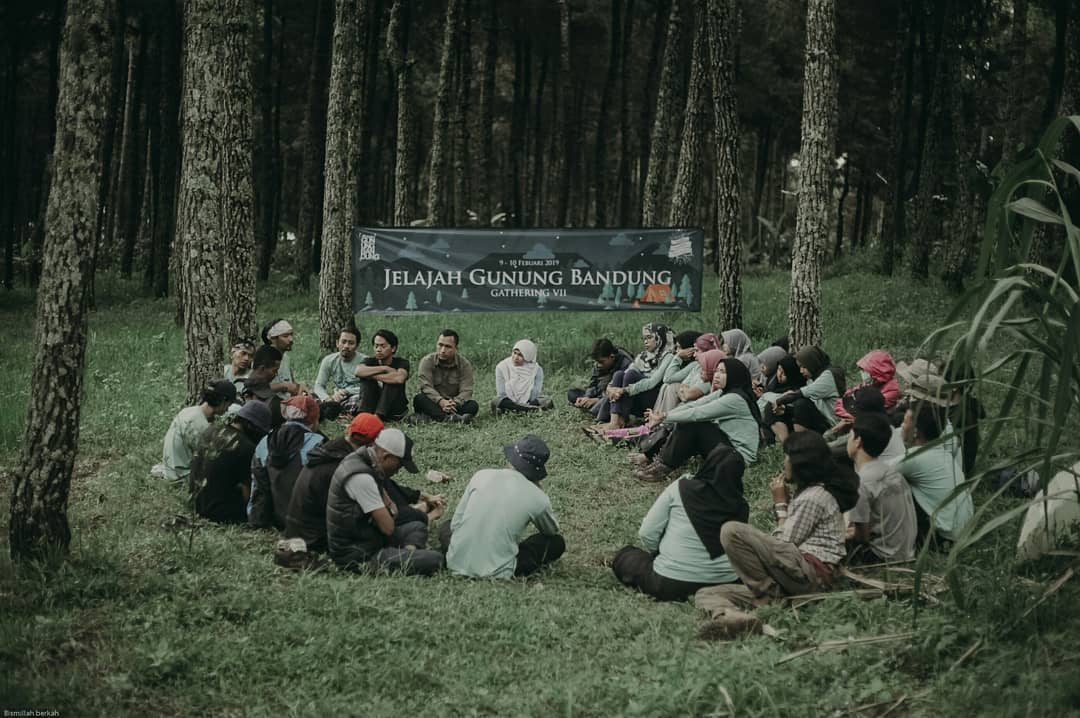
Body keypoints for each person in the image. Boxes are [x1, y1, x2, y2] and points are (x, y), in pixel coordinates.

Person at [696, 432, 857, 639]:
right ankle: (733, 618)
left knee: (732, 531)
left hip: (810, 574)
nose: (785, 462)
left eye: (788, 456)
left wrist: (780, 505)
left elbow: (783, 544)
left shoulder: (814, 497)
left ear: (802, 463)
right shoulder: (808, 494)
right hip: (792, 573)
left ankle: (768, 598)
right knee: (706, 594)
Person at [613, 446, 747, 601]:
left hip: (670, 583)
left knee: (626, 555)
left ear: (707, 464)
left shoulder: (681, 487)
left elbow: (647, 532)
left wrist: (660, 554)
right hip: (725, 583)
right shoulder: (741, 505)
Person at [440, 435, 565, 578]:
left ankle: (460, 556)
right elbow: (551, 531)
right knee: (556, 543)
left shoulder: (481, 475)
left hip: (455, 562)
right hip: (499, 572)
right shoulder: (538, 497)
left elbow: (455, 524)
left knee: (447, 525)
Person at [326, 428, 444, 575]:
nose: (399, 470)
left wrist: (391, 508)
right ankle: (405, 558)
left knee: (416, 526)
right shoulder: (362, 478)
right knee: (436, 559)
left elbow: (391, 510)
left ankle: (406, 555)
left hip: (369, 537)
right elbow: (388, 527)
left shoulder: (363, 460)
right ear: (386, 456)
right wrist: (391, 509)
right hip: (358, 555)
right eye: (399, 464)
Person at [635, 357, 762, 482]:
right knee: (686, 422)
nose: (717, 375)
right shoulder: (724, 393)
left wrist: (664, 417)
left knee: (692, 424)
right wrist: (664, 415)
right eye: (716, 371)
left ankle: (661, 469)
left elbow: (698, 413)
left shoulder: (735, 399)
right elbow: (694, 405)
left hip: (737, 458)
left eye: (723, 372)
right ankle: (660, 462)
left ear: (735, 375)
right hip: (727, 449)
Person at [285, 413, 385, 553]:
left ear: (349, 431)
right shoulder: (346, 465)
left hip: (297, 532)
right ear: (372, 444)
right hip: (314, 540)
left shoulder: (330, 450)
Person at [896, 398, 974, 547]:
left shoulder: (916, 458)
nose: (901, 426)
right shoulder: (941, 452)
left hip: (945, 538)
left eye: (904, 422)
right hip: (965, 532)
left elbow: (878, 473)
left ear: (915, 432)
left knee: (890, 486)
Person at [846, 412, 917, 564]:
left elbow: (861, 538)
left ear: (858, 441)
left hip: (883, 557)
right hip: (907, 551)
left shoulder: (861, 482)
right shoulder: (892, 472)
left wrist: (846, 533)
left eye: (849, 436)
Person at [248, 396, 326, 530]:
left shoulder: (265, 441)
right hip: (306, 523)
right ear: (313, 420)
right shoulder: (318, 443)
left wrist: (257, 520)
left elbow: (258, 487)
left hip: (272, 519)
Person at [190, 401, 272, 524]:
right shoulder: (246, 447)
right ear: (251, 426)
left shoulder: (211, 429)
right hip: (220, 512)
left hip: (194, 503)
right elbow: (248, 494)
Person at [597, 323, 676, 430]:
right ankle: (615, 421)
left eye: (649, 337)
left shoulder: (668, 356)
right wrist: (610, 388)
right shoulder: (643, 356)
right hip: (637, 396)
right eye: (644, 338)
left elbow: (653, 382)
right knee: (619, 374)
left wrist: (625, 390)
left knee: (631, 375)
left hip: (654, 400)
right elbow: (628, 370)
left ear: (660, 338)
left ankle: (620, 421)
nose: (645, 341)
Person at [159, 380, 237, 483]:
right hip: (180, 474)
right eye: (228, 405)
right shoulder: (199, 424)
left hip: (171, 467)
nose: (227, 410)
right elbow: (210, 459)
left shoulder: (189, 411)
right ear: (223, 401)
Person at [768, 345, 844, 442]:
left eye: (804, 367)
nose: (801, 371)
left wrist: (780, 400)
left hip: (833, 424)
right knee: (771, 407)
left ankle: (802, 446)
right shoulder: (812, 378)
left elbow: (804, 392)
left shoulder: (830, 375)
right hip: (820, 417)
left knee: (801, 404)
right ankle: (784, 445)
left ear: (812, 363)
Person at [413, 329, 479, 423]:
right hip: (434, 402)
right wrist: (441, 401)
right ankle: (451, 418)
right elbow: (426, 387)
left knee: (473, 405)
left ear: (456, 348)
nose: (443, 350)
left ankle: (441, 417)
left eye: (448, 347)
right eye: (440, 345)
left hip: (454, 404)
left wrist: (455, 403)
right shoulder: (427, 361)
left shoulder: (464, 364)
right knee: (419, 399)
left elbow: (467, 390)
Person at [567, 338, 633, 419]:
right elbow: (593, 384)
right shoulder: (599, 364)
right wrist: (587, 397)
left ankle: (594, 409)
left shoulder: (626, 364)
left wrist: (596, 400)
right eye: (597, 362)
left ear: (612, 357)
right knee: (572, 393)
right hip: (600, 393)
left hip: (614, 397)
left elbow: (620, 392)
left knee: (605, 403)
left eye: (601, 362)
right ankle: (589, 405)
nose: (599, 365)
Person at [354, 329, 410, 421]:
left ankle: (377, 417)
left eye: (383, 346)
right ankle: (363, 415)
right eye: (376, 346)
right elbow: (358, 371)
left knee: (392, 381)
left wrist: (371, 375)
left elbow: (399, 378)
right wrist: (385, 369)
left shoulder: (401, 362)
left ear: (393, 348)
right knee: (367, 380)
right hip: (374, 407)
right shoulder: (370, 361)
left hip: (395, 411)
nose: (378, 350)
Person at [313, 324, 367, 414]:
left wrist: (347, 391)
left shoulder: (365, 361)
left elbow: (372, 387)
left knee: (360, 401)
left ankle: (332, 410)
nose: (346, 346)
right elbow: (319, 385)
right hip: (336, 397)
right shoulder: (329, 360)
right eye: (343, 342)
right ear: (337, 343)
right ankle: (331, 408)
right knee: (309, 397)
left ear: (357, 346)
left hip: (354, 396)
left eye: (351, 343)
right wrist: (327, 399)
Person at [833, 350, 900, 423]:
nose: (862, 373)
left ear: (876, 371)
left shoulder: (891, 390)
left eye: (864, 370)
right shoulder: (870, 383)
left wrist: (848, 409)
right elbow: (844, 399)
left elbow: (865, 413)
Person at [492, 339, 554, 414]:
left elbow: (535, 394)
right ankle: (529, 410)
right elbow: (501, 393)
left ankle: (519, 409)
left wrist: (526, 400)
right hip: (508, 401)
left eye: (520, 355)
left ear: (528, 356)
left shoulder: (536, 370)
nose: (515, 357)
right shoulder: (502, 367)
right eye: (514, 353)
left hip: (529, 402)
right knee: (497, 401)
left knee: (546, 400)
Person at [653, 330, 706, 413]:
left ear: (690, 349)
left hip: (693, 397)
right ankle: (657, 417)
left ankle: (664, 420)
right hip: (686, 393)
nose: (677, 351)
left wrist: (677, 357)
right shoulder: (688, 363)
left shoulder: (695, 364)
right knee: (665, 386)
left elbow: (668, 378)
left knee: (671, 386)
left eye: (679, 347)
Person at [262, 318, 306, 398]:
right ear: (273, 339)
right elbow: (256, 388)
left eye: (291, 335)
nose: (291, 340)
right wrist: (283, 386)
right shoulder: (262, 358)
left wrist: (299, 387)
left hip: (289, 403)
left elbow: (291, 383)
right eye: (285, 336)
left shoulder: (285, 358)